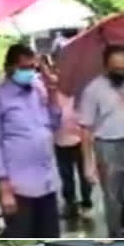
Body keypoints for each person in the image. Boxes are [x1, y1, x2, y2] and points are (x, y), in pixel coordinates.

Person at [0, 44, 62, 238]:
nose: (29, 73)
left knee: (50, 236)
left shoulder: (38, 89)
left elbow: (55, 122)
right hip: (19, 187)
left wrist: (52, 90)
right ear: (10, 68)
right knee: (24, 236)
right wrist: (4, 190)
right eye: (24, 68)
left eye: (32, 68)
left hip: (46, 182)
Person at [78, 44, 124, 238]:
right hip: (107, 146)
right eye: (116, 69)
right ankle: (116, 235)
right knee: (113, 197)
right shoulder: (93, 90)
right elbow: (86, 129)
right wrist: (88, 164)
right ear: (106, 67)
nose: (122, 73)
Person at [45, 59, 93, 221]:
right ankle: (70, 204)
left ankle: (86, 202)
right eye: (56, 71)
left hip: (80, 142)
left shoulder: (80, 92)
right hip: (60, 142)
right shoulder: (51, 92)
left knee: (84, 175)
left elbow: (88, 119)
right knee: (66, 177)